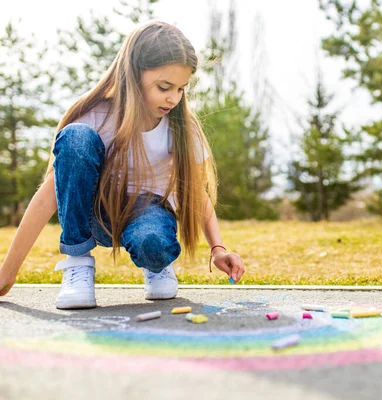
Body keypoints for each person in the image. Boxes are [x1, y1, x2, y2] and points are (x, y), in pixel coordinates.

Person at [0, 21, 245, 309]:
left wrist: (218, 249)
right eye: (164, 87)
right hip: (96, 217)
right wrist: (8, 271)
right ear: (132, 74)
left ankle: (157, 265)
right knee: (76, 138)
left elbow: (195, 191)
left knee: (152, 241)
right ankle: (78, 264)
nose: (173, 98)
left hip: (149, 213)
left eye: (181, 89)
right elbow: (48, 197)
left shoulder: (181, 127)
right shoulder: (94, 116)